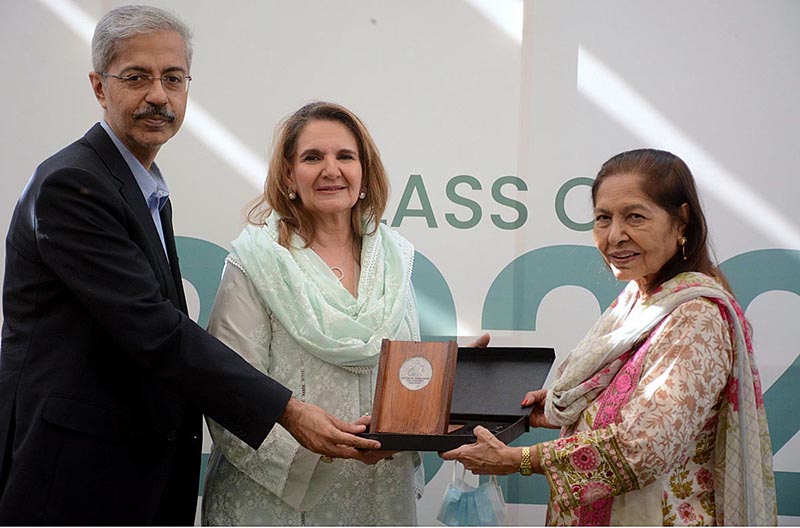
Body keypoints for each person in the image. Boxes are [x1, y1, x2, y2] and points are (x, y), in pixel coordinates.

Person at [0, 6, 379, 525]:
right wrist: (289, 411)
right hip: (76, 478)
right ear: (98, 86)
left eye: (173, 78)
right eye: (137, 77)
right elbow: (154, 332)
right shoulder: (74, 185)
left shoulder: (141, 185)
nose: (159, 95)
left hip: (132, 473)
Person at [441, 149, 777, 526]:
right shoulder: (637, 299)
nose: (615, 236)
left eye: (635, 216)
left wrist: (520, 461)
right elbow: (625, 404)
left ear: (681, 223)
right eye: (603, 218)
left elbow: (645, 446)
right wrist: (551, 411)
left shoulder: (696, 317)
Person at [201, 101, 423, 525]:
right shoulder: (255, 261)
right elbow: (227, 392)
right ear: (288, 175)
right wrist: (309, 455)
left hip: (381, 492)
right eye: (312, 157)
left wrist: (449, 387)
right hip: (276, 504)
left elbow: (405, 377)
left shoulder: (394, 259)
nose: (331, 169)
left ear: (364, 173)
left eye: (345, 156)